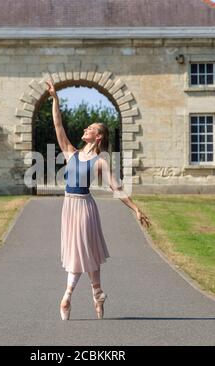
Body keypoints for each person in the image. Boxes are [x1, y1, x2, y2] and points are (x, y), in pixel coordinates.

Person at [46, 80, 151, 320]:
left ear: (98, 136)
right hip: (69, 208)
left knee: (83, 252)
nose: (86, 128)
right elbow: (57, 124)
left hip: (84, 208)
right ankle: (97, 294)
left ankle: (68, 296)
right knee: (84, 252)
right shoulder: (70, 152)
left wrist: (135, 209)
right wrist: (55, 99)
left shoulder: (100, 161)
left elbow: (117, 187)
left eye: (90, 128)